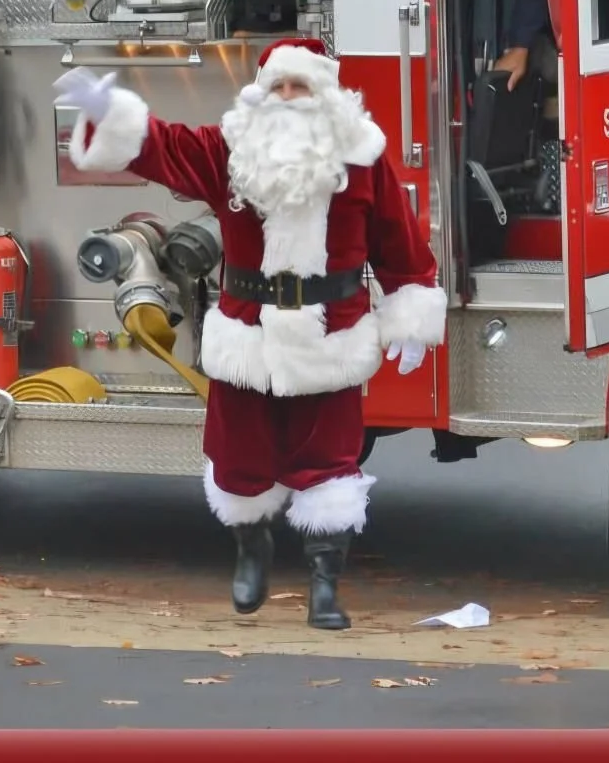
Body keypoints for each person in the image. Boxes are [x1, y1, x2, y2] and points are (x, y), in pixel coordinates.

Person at [53, 39, 448, 630]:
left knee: (329, 465)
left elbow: (398, 238)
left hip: (330, 336)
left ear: (325, 93)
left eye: (300, 86)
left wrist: (409, 307)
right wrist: (111, 114)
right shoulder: (230, 150)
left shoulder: (362, 156)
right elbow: (165, 148)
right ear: (260, 94)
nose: (288, 97)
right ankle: (251, 546)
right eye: (277, 87)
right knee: (238, 459)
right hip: (247, 335)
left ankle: (324, 586)